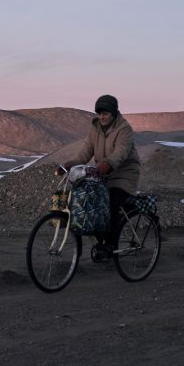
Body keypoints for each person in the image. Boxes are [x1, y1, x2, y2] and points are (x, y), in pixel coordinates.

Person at [60, 94, 141, 258]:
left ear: (113, 112)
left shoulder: (124, 128)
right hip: (103, 173)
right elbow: (85, 152)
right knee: (91, 204)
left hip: (124, 174)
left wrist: (107, 164)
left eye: (105, 113)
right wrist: (70, 164)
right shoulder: (94, 128)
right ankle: (102, 241)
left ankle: (110, 245)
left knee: (110, 203)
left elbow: (121, 152)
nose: (102, 117)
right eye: (99, 113)